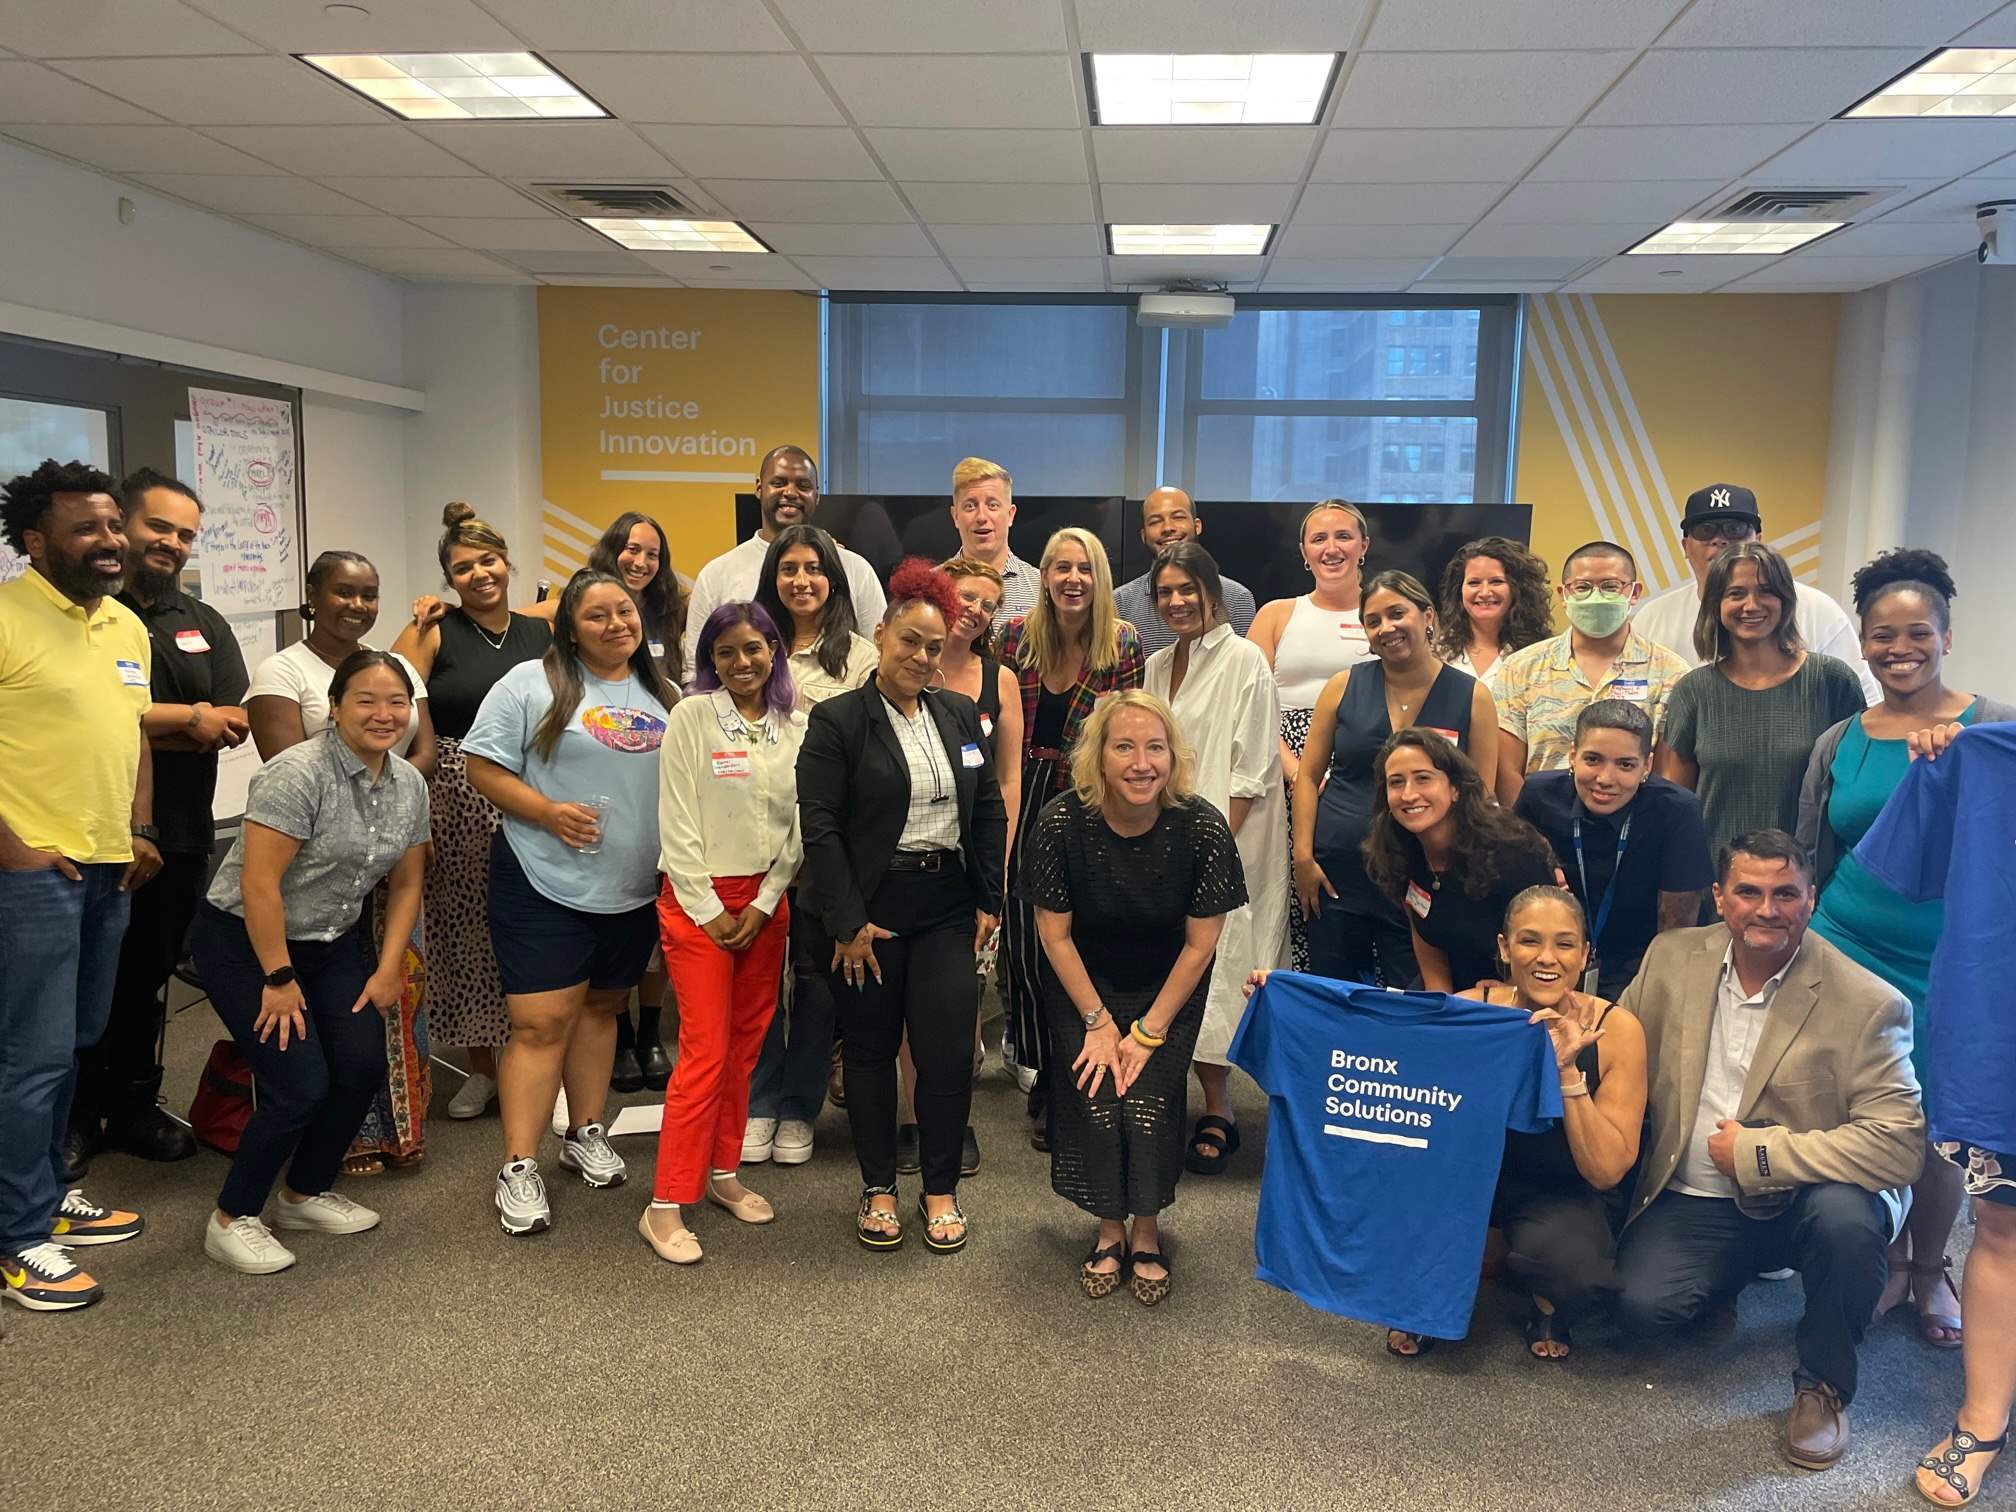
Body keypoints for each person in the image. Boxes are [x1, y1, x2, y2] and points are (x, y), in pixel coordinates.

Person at [1612, 829, 1923, 1474]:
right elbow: (1616, 1043)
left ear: (1811, 900)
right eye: (1748, 891)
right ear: (1719, 898)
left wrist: (1761, 1155)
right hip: (1695, 1194)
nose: (1767, 909)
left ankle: (1824, 1385)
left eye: (1786, 893)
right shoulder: (1670, 959)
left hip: (1806, 1197)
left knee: (1846, 1226)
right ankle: (1731, 1275)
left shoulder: (1867, 1002)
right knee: (1646, 1310)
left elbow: (1898, 1144)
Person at [1798, 550, 2013, 1353]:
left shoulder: (1990, 726)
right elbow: (1811, 850)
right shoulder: (1839, 740)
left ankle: (1931, 1268)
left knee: (1939, 1122)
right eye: (1882, 635)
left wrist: (1959, 765)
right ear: (1863, 643)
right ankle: (1882, 1258)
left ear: (1947, 635)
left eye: (1916, 632)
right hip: (1848, 943)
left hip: (1955, 958)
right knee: (1858, 1109)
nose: (1899, 648)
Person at [191, 651, 430, 1274]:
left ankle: (302, 1193)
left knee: (358, 1068)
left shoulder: (409, 783)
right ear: (334, 707)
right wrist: (277, 977)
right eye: (366, 701)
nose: (384, 715)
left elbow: (406, 885)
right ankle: (232, 1217)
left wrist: (385, 969)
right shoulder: (299, 774)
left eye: (396, 702)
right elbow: (259, 884)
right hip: (247, 944)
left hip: (331, 942)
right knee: (298, 1086)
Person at [797, 560, 1006, 1253]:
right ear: (880, 634)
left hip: (947, 905)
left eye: (934, 645)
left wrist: (988, 896)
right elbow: (820, 828)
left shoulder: (956, 713)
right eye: (909, 641)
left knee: (947, 1054)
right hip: (872, 910)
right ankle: (879, 1186)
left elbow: (988, 806)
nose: (921, 656)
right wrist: (847, 922)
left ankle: (939, 1189)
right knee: (869, 1051)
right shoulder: (838, 721)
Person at [462, 569, 675, 1235]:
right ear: (569, 629)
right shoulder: (531, 683)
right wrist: (549, 812)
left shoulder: (663, 691)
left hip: (630, 887)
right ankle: (519, 1167)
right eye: (597, 616)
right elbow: (482, 766)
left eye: (625, 611)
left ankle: (586, 1130)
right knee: (539, 1024)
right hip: (542, 878)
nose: (617, 624)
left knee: (600, 1011)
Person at [0, 458, 158, 1312]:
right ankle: (19, 1237)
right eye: (87, 529)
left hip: (106, 864)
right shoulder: (5, 616)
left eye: (112, 526)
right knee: (28, 1055)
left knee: (75, 1039)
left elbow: (131, 734)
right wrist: (13, 849)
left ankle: (41, 1186)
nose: (111, 541)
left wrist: (135, 829)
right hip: (29, 873)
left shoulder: (125, 626)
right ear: (36, 542)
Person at [1027, 690, 1246, 1305]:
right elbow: (1054, 934)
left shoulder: (1202, 824)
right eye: (1124, 746)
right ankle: (1108, 1230)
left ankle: (1146, 1233)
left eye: (1156, 747)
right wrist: (1097, 1022)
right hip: (1081, 984)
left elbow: (1201, 947)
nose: (1142, 762)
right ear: (1099, 757)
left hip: (1166, 987)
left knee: (1146, 1106)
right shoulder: (1061, 822)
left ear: (1174, 757)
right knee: (1099, 1102)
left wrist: (1149, 1030)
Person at [1852, 724, 2016, 1507]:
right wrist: (1941, 768)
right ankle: (1981, 1421)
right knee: (2003, 1227)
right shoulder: (1988, 755)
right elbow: (1901, 869)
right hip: (2006, 1026)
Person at [76, 468, 248, 1165]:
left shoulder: (200, 623)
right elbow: (90, 718)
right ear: (123, 524)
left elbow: (234, 720)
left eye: (185, 535)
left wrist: (160, 725)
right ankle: (76, 1118)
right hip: (84, 829)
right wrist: (189, 719)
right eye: (158, 527)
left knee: (146, 979)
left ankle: (135, 1106)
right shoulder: (88, 613)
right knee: (86, 983)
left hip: (178, 831)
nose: (171, 543)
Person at [251, 551, 435, 1175]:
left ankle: (348, 1164)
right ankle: (259, 1195)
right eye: (342, 592)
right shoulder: (285, 684)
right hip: (284, 903)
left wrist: (397, 817)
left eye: (369, 593)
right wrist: (277, 978)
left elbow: (419, 757)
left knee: (369, 1039)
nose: (357, 605)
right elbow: (262, 873)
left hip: (360, 891)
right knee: (303, 1064)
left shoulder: (407, 763)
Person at [641, 603, 804, 1265]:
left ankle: (722, 1173)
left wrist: (765, 902)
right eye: (727, 652)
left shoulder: (797, 727)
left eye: (754, 649)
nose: (742, 663)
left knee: (743, 1049)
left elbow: (799, 826)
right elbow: (675, 820)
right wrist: (710, 909)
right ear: (711, 658)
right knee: (704, 1052)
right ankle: (663, 1205)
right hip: (696, 899)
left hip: (766, 902)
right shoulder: (691, 717)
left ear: (774, 651)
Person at [392, 503, 551, 1122]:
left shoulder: (543, 628)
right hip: (459, 796)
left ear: (508, 563)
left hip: (536, 785)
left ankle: (538, 1059)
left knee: (535, 929)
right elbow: (389, 691)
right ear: (447, 580)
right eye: (462, 568)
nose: (479, 574)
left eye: (488, 560)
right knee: (466, 934)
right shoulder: (434, 631)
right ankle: (485, 1067)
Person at [1454, 886, 1646, 1362]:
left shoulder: (1618, 1030)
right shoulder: (1469, 1009)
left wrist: (1567, 1073)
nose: (1547, 958)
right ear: (1504, 948)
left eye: (1564, 944)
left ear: (1584, 954)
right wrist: (1290, 998)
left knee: (1577, 1276)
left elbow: (1606, 1171)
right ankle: (1444, 1283)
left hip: (1560, 1189)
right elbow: (1388, 1064)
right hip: (1473, 1181)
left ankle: (1539, 1290)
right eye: (1529, 941)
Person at [996, 528, 1145, 1140]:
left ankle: (1067, 1081)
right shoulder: (1010, 637)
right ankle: (1045, 1064)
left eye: (1084, 568)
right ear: (1045, 576)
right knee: (1023, 947)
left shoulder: (1121, 643)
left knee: (1075, 942)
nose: (1072, 579)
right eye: (1061, 567)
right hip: (1016, 794)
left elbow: (1129, 729)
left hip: (1087, 801)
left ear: (1100, 577)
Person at [1139, 543, 1283, 1175]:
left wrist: (1209, 851)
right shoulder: (1154, 666)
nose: (1176, 602)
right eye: (1164, 592)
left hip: (1230, 839)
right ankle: (1167, 1096)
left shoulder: (1244, 658)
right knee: (1170, 965)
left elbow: (1252, 769)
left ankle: (1220, 1107)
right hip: (1163, 840)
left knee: (1223, 967)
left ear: (1213, 590)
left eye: (1187, 589)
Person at [740, 523, 876, 1166]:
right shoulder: (747, 647)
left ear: (833, 579)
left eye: (813, 568)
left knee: (818, 983)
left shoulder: (860, 658)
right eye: (788, 568)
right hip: (757, 840)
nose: (801, 580)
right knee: (759, 981)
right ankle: (760, 1101)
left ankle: (800, 1106)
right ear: (773, 578)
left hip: (828, 845)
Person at [1296, 569, 1499, 993]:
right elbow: (1308, 775)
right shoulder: (1342, 686)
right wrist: (1303, 859)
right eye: (1373, 620)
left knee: (1415, 995)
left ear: (1427, 616)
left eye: (1397, 613)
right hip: (1338, 872)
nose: (1386, 628)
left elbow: (1482, 795)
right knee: (1333, 995)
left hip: (1423, 877)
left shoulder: (1472, 696)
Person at [1656, 541, 1866, 867]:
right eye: (1736, 594)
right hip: (1717, 888)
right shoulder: (1693, 691)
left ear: (1786, 600)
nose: (1751, 605)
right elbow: (1675, 811)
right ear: (1716, 605)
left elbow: (1855, 794)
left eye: (1765, 591)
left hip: (1809, 884)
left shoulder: (1832, 682)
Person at [1247, 500, 1376, 971]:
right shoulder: (1277, 615)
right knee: (1293, 896)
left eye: (1343, 536)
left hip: (1366, 776)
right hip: (1284, 773)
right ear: (1304, 552)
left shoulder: (1388, 613)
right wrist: (1299, 773)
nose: (1332, 548)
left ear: (1364, 545)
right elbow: (1253, 708)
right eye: (1319, 539)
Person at [1514, 700, 1714, 999]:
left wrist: (1656, 996)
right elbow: (1512, 888)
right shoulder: (1538, 796)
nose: (1605, 779)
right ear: (1572, 755)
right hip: (1555, 957)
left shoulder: (1676, 810)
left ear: (1646, 766)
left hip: (1642, 963)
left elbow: (1676, 928)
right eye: (1593, 759)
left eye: (1625, 765)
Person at [1631, 483, 1879, 700]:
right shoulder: (1653, 617)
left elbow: (1862, 707)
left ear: (1758, 540)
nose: (1720, 540)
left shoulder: (1819, 610)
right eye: (1705, 530)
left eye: (1735, 529)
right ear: (1686, 546)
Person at [1487, 540, 1689, 806]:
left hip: (1634, 832)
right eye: (1582, 587)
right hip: (1541, 831)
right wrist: (1529, 833)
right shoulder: (1521, 669)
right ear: (1563, 594)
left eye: (1610, 586)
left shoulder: (1671, 674)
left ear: (1634, 592)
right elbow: (1507, 770)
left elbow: (1667, 774)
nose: (1596, 597)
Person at [1361, 729, 1557, 994]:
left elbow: (1550, 944)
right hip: (1457, 990)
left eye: (1423, 779)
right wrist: (1442, 1004)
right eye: (1396, 782)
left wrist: (1510, 991)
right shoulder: (1400, 849)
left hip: (1523, 990)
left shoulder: (1514, 854)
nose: (1408, 794)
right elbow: (1424, 932)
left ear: (1455, 789)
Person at [680, 446, 885, 675]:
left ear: (817, 494)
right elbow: (695, 671)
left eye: (803, 485)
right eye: (778, 483)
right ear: (759, 488)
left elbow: (880, 659)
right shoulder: (716, 574)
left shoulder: (856, 569)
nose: (790, 492)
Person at [1112, 488, 1257, 656]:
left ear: (1197, 526)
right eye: (1155, 521)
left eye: (1178, 517)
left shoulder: (1236, 597)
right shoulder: (1121, 602)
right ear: (1143, 536)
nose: (1167, 527)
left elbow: (1243, 666)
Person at [1433, 534, 1554, 679]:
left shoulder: (1543, 654)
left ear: (1519, 589)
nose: (1484, 592)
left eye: (1496, 581)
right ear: (1459, 590)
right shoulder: (1436, 651)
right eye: (1474, 583)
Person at [947, 456, 1040, 629]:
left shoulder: (1040, 589)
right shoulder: (932, 585)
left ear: (1010, 515)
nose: (981, 517)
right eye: (970, 506)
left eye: (993, 505)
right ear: (955, 516)